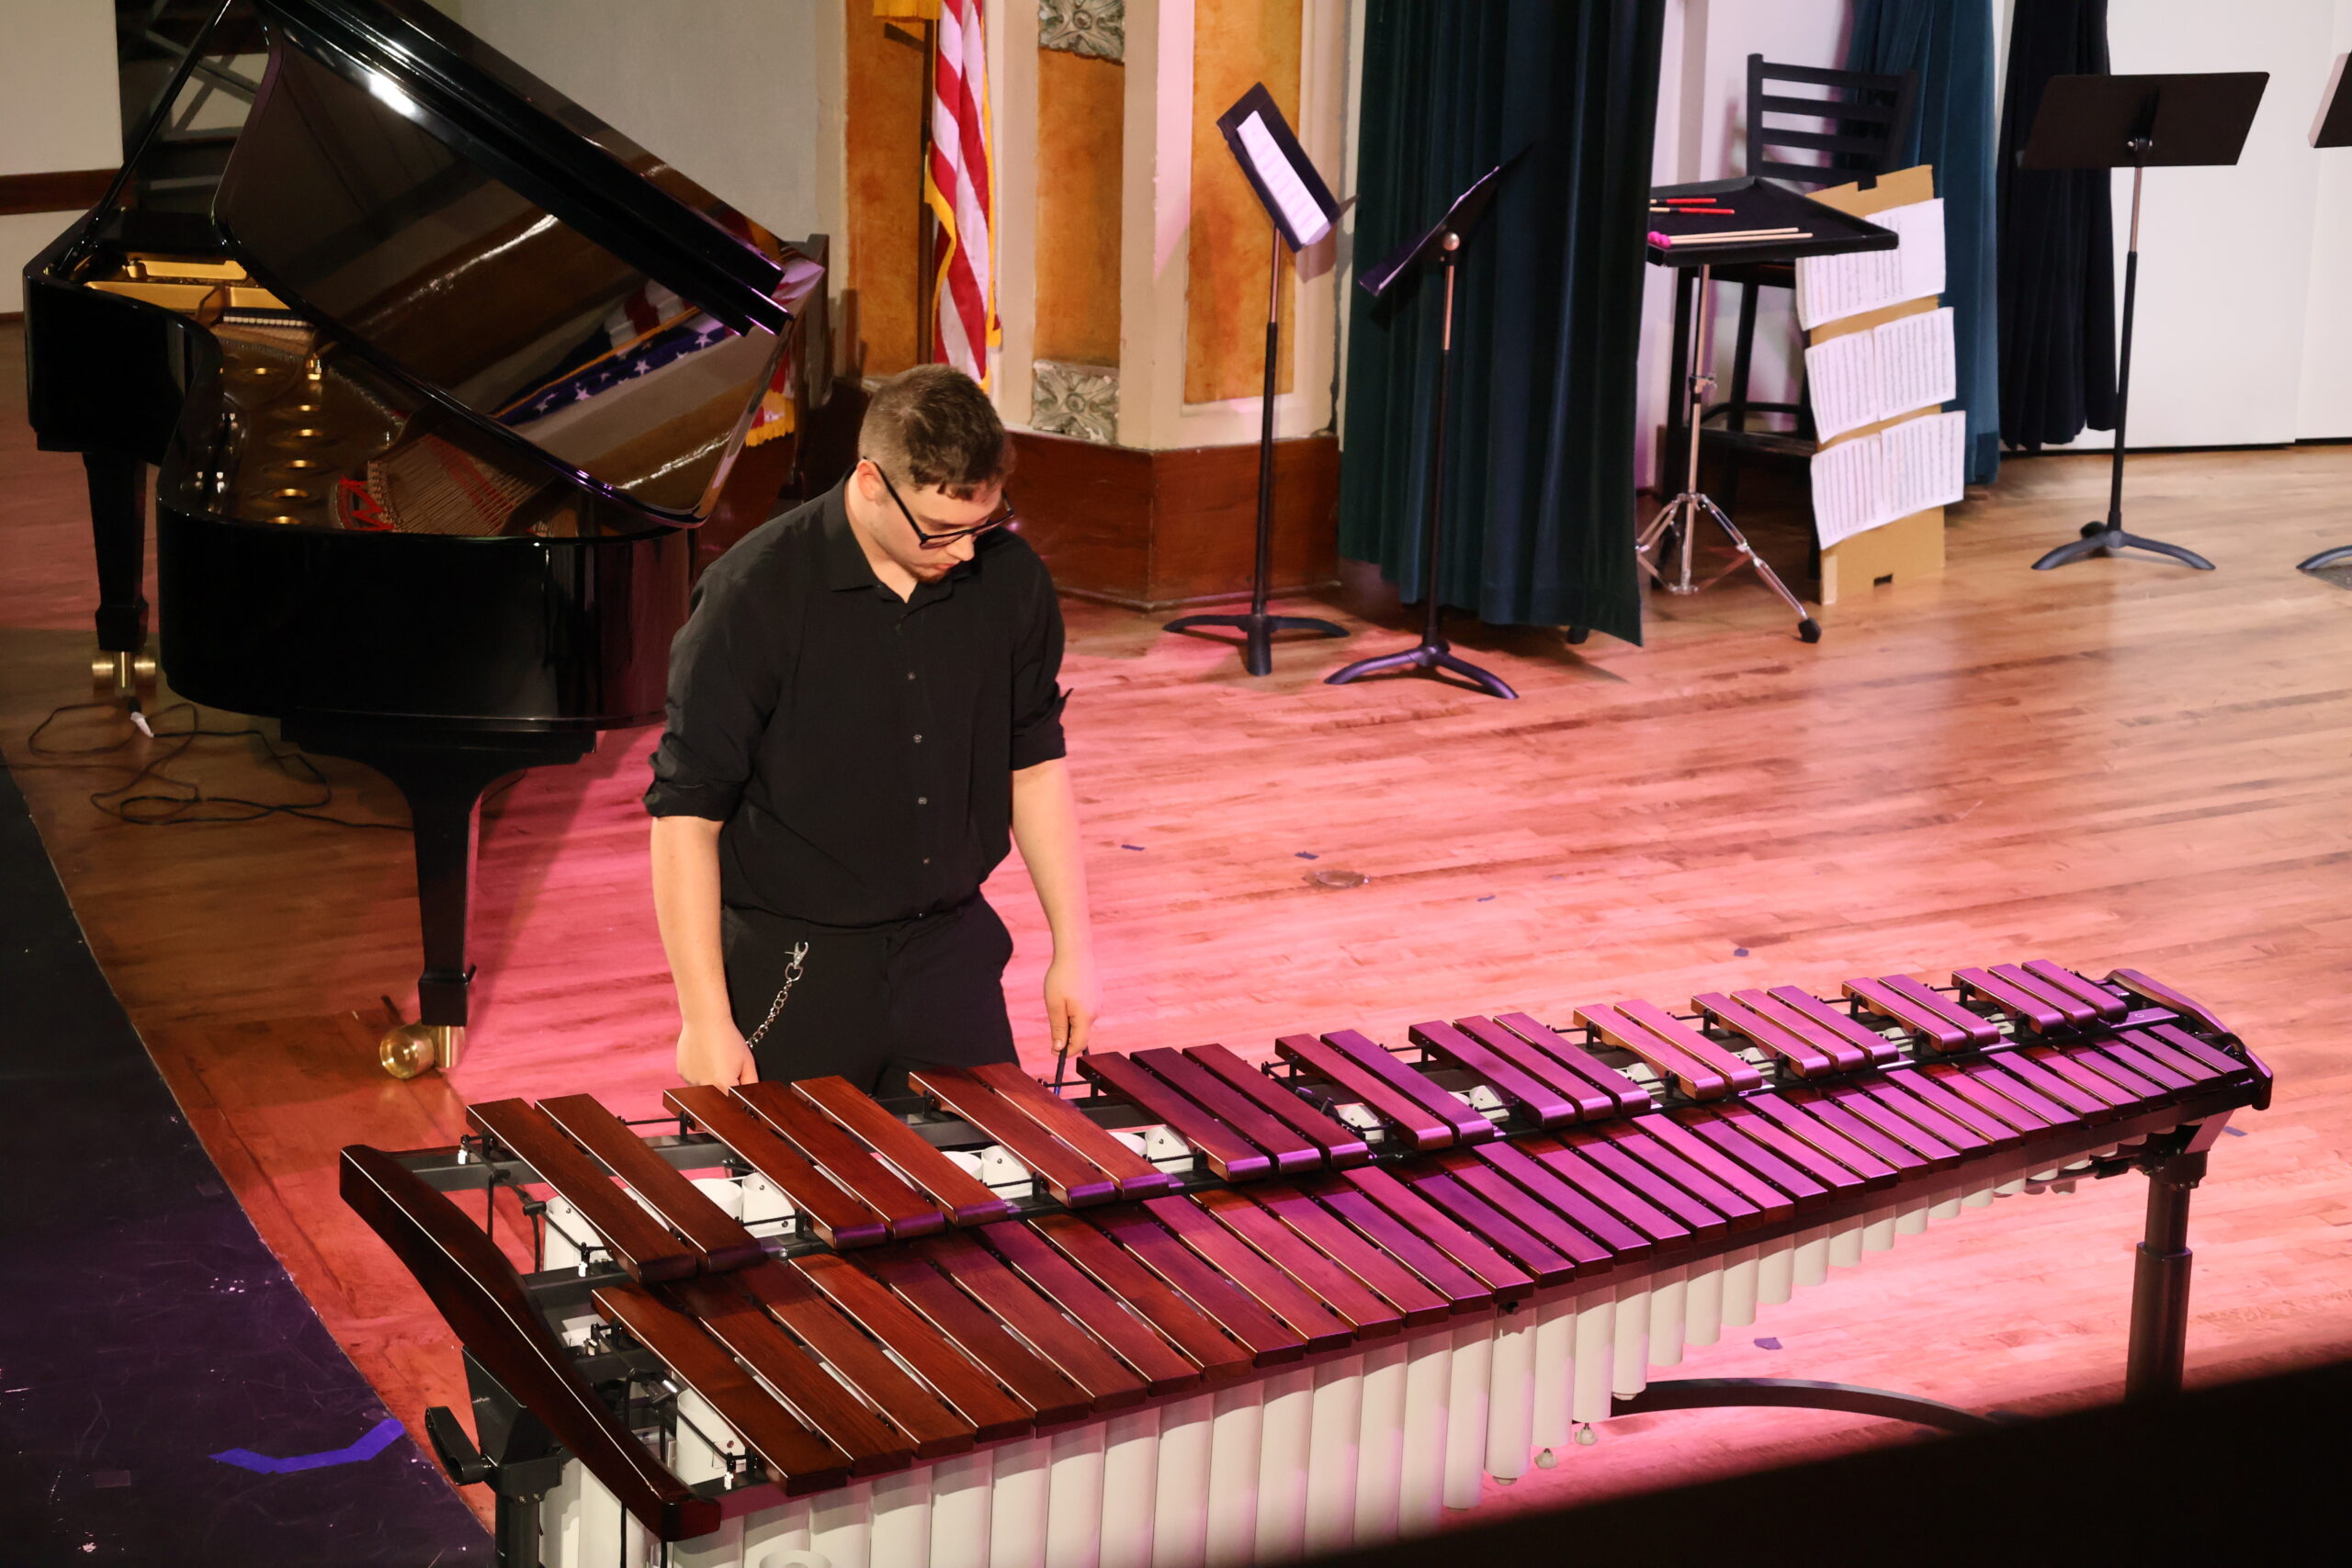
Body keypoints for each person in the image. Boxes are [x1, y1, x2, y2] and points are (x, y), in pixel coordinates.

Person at [644, 365, 1096, 1093]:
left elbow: (1035, 764)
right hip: (794, 962)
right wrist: (704, 1018)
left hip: (950, 954)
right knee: (789, 1170)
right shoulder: (752, 594)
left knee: (988, 1164)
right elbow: (686, 817)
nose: (965, 551)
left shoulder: (1011, 582)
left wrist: (1073, 948)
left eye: (984, 522)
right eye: (941, 529)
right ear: (870, 482)